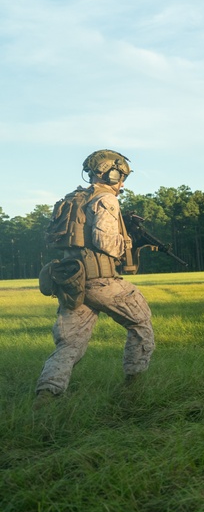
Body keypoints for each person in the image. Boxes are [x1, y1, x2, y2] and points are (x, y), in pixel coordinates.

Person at [34, 149, 154, 407]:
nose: (122, 182)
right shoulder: (106, 200)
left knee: (69, 344)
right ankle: (133, 388)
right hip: (102, 281)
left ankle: (46, 395)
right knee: (141, 322)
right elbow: (105, 242)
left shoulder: (71, 199)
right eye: (121, 176)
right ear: (113, 173)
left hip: (72, 283)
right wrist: (130, 240)